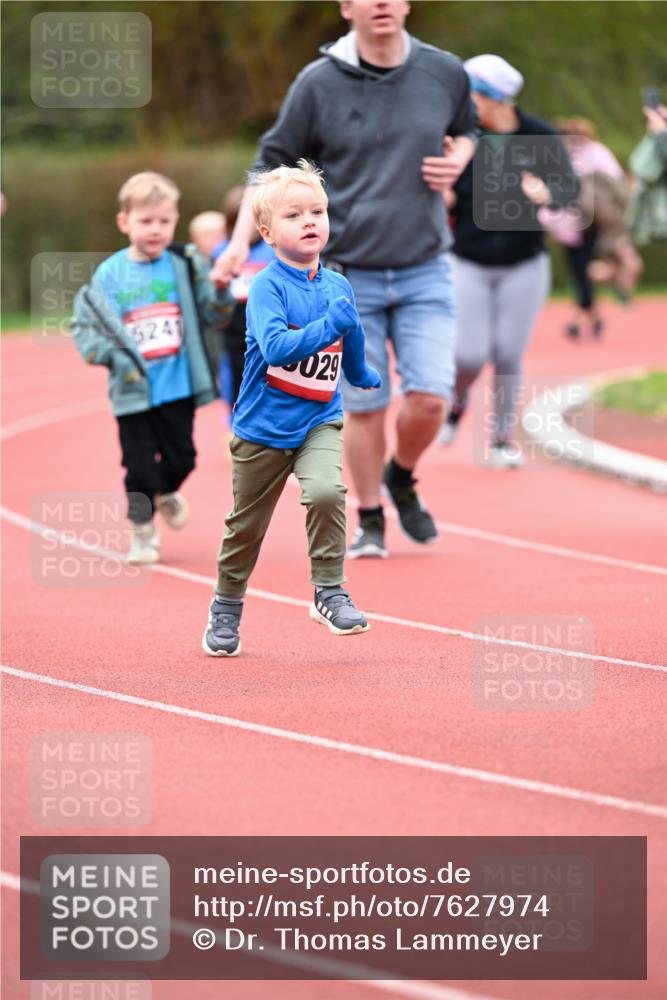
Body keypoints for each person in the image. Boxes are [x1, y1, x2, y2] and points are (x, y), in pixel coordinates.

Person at [212, 0, 476, 559]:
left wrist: (462, 159)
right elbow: (268, 167)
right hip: (348, 272)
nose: (381, 3)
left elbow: (466, 127)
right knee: (363, 404)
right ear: (347, 8)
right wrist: (239, 242)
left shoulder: (444, 71)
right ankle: (371, 514)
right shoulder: (317, 83)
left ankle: (400, 475)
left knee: (431, 397)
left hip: (424, 262)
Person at [202, 160, 381, 657]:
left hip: (318, 417)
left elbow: (353, 332)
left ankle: (329, 590)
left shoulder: (337, 284)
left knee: (326, 490)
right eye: (294, 214)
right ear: (265, 231)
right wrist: (329, 326)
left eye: (318, 211)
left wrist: (361, 373)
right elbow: (279, 349)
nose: (310, 221)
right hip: (262, 428)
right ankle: (226, 604)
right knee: (246, 528)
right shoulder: (266, 287)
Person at [71, 171, 235, 564]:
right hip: (133, 389)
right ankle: (143, 532)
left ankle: (164, 492)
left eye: (164, 221)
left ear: (175, 220)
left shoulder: (186, 262)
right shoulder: (110, 273)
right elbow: (84, 323)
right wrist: (107, 354)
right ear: (124, 222)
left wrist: (220, 287)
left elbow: (215, 314)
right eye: (146, 221)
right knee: (138, 466)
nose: (156, 229)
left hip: (178, 384)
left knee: (183, 458)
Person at [439, 54, 577, 468]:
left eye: (471, 93)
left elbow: (569, 192)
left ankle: (500, 438)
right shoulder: (459, 136)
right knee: (468, 354)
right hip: (468, 260)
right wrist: (440, 194)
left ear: (494, 98)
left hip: (524, 262)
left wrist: (547, 194)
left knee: (508, 352)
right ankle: (458, 398)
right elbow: (436, 184)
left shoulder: (540, 136)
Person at [546, 118, 626, 339]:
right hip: (571, 226)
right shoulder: (574, 155)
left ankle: (581, 318)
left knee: (583, 270)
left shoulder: (592, 154)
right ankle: (592, 316)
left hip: (590, 223)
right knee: (580, 272)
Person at [212, 186, 276, 410]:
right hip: (234, 326)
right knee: (236, 372)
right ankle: (236, 418)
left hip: (265, 325)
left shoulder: (272, 251)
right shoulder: (222, 251)